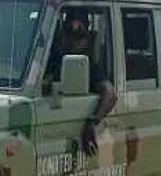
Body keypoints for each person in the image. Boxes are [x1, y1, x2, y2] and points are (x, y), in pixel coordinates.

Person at [50, 8, 117, 156]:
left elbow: (110, 94)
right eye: (69, 36)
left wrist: (92, 122)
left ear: (88, 39)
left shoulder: (89, 67)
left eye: (79, 38)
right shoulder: (50, 61)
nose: (74, 43)